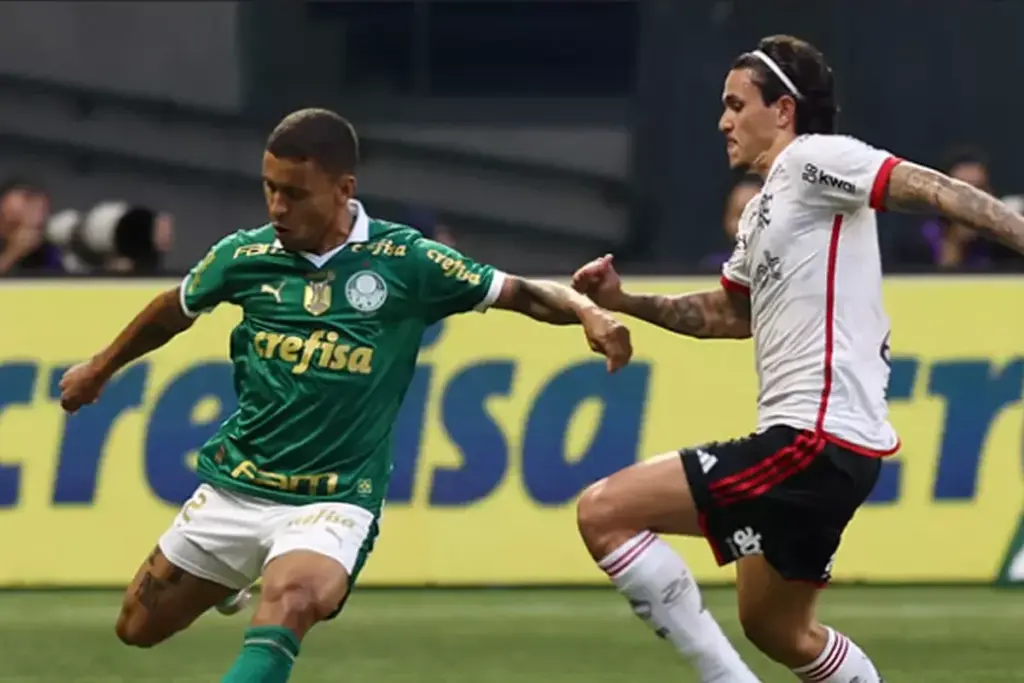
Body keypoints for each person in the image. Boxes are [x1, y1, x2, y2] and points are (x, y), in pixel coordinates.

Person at [58, 108, 632, 683]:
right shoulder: (246, 255)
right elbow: (173, 310)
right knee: (136, 628)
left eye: (295, 193)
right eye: (269, 189)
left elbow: (520, 292)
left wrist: (589, 312)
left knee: (292, 601)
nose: (278, 208)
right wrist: (100, 368)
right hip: (238, 486)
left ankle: (271, 579)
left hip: (332, 500)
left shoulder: (406, 260)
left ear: (343, 189)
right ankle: (233, 575)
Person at [572, 34, 1024, 683]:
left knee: (603, 511)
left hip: (814, 439)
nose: (723, 120)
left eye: (736, 104)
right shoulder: (764, 209)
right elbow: (729, 315)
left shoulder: (815, 158)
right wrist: (626, 300)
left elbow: (936, 189)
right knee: (775, 626)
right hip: (829, 449)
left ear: (782, 110)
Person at [700, 174, 763, 269]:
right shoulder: (714, 266)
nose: (746, 224)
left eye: (754, 215)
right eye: (740, 215)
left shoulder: (784, 267)